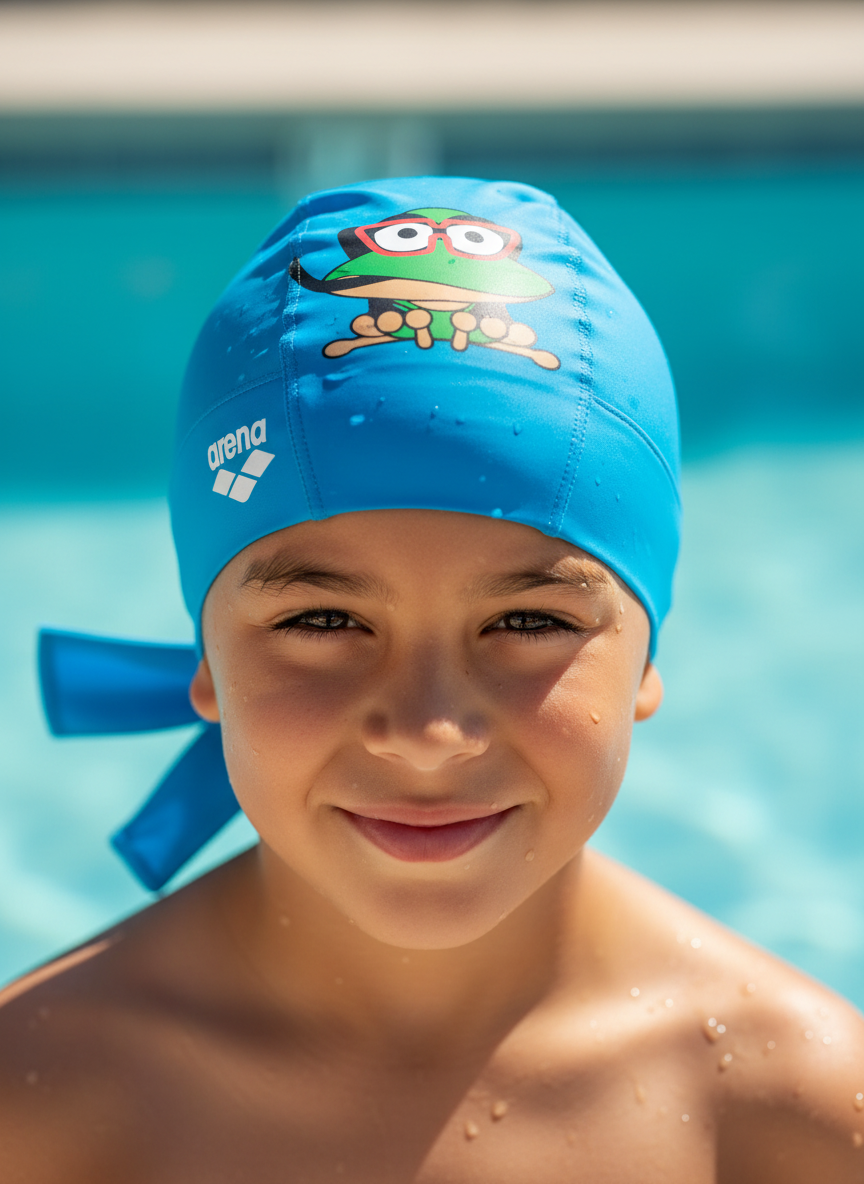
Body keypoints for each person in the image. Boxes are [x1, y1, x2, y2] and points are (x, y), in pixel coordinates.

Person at [1, 177, 862, 1183]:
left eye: (529, 622)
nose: (426, 731)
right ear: (209, 663)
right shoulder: (42, 1105)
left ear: (645, 661)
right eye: (324, 620)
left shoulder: (797, 1112)